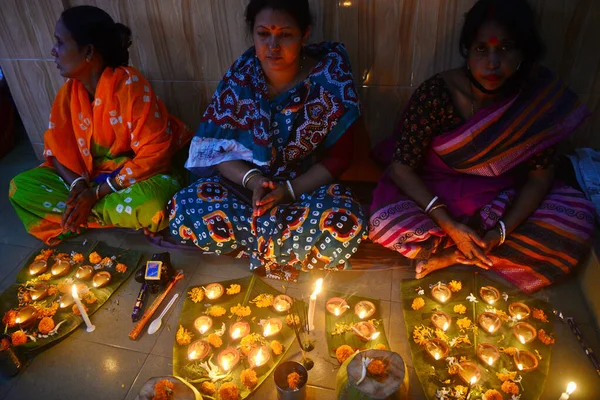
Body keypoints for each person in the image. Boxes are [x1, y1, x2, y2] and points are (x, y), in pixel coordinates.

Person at [369, 0, 594, 292]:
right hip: (437, 194)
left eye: (505, 48)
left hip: (502, 197)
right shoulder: (437, 93)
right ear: (467, 50)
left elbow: (540, 178)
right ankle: (464, 248)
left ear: (524, 51)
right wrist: (449, 225)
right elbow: (401, 169)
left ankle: (455, 255)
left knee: (575, 221)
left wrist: (500, 233)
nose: (492, 62)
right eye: (481, 49)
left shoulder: (536, 102)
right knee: (385, 225)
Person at [169, 0, 367, 281]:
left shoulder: (330, 79)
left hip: (305, 189)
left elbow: (340, 157)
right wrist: (254, 182)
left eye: (285, 34)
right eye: (264, 34)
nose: (273, 45)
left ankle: (258, 246)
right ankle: (284, 249)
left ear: (305, 34)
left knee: (346, 222)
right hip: (245, 188)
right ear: (253, 34)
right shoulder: (242, 76)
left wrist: (288, 190)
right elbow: (217, 150)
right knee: (184, 208)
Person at [9, 5, 193, 245]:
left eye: (60, 42)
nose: (53, 51)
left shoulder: (131, 86)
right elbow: (56, 150)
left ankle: (74, 217)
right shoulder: (69, 93)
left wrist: (95, 194)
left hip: (137, 179)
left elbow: (154, 157)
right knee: (20, 188)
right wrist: (78, 185)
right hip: (91, 178)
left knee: (152, 204)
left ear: (88, 52)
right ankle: (89, 214)